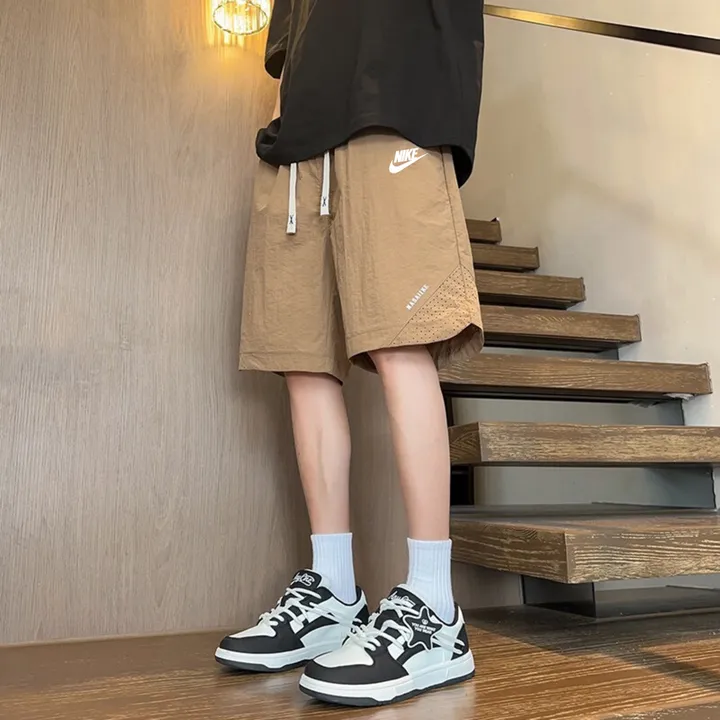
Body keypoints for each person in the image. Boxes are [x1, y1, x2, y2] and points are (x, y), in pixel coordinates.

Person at [215, 0, 485, 707]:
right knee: (300, 356)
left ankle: (434, 610)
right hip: (299, 131)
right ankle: (333, 592)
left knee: (401, 342)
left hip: (395, 103)